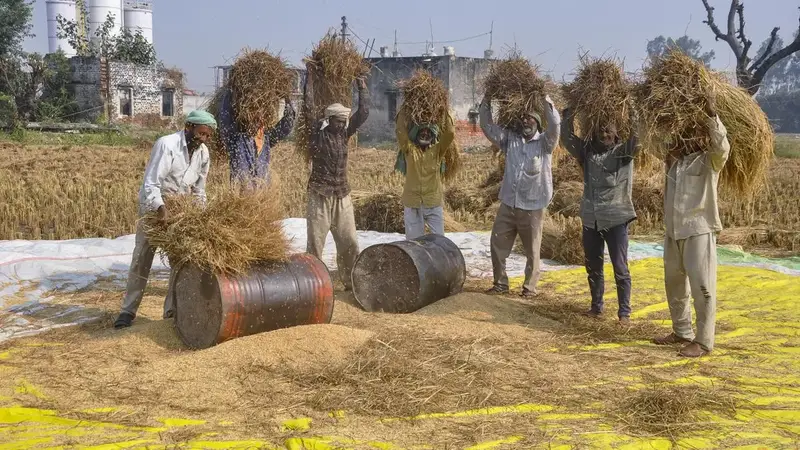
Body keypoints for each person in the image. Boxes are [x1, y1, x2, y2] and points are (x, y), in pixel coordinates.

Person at [113, 110, 217, 329]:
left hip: (180, 211)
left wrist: (200, 216)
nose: (204, 139)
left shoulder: (203, 153)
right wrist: (161, 209)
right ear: (188, 127)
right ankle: (127, 311)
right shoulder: (167, 144)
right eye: (201, 133)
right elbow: (151, 183)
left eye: (208, 135)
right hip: (155, 209)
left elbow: (199, 190)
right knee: (142, 259)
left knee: (178, 262)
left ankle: (170, 312)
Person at [653, 91, 730, 358]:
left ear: (701, 136)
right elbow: (652, 143)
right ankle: (681, 331)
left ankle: (704, 341)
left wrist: (712, 115)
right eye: (682, 133)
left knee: (702, 286)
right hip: (673, 230)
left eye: (691, 133)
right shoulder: (674, 163)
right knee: (674, 284)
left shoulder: (709, 161)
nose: (685, 138)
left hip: (699, 229)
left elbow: (723, 147)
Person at [561, 108, 640, 325]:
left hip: (616, 218)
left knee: (620, 267)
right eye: (600, 131)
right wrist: (568, 116)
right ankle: (596, 307)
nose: (604, 135)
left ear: (616, 134)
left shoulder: (622, 153)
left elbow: (637, 140)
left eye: (608, 131)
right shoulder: (588, 152)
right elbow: (567, 139)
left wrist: (633, 114)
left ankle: (624, 313)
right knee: (593, 266)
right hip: (591, 218)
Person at [479, 93, 561, 297]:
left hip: (532, 206)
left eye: (530, 118)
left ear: (538, 122)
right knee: (497, 243)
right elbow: (488, 127)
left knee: (532, 250)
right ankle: (500, 284)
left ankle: (529, 288)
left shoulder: (545, 143)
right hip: (509, 203)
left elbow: (555, 125)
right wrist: (486, 101)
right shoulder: (510, 140)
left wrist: (544, 99)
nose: (526, 121)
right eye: (523, 117)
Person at [304, 75, 369, 290]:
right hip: (320, 194)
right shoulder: (317, 135)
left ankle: (351, 282)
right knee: (316, 243)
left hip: (342, 194)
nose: (341, 125)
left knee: (349, 241)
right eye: (337, 121)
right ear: (329, 120)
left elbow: (363, 113)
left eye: (343, 122)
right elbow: (308, 108)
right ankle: (313, 285)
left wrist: (362, 88)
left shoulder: (345, 135)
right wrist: (309, 78)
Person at [394, 108, 456, 240]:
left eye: (428, 132)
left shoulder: (438, 151)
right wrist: (404, 110)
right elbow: (400, 131)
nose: (425, 134)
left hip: (432, 202)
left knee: (439, 241)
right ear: (416, 135)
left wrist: (443, 111)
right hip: (412, 203)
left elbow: (450, 133)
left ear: (433, 136)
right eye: (421, 131)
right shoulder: (409, 150)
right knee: (414, 243)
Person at [219, 87, 295, 188]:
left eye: (260, 114)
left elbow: (286, 125)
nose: (257, 117)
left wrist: (287, 99)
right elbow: (225, 120)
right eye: (252, 113)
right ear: (245, 116)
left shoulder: (267, 139)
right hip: (240, 195)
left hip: (263, 194)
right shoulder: (236, 140)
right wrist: (230, 91)